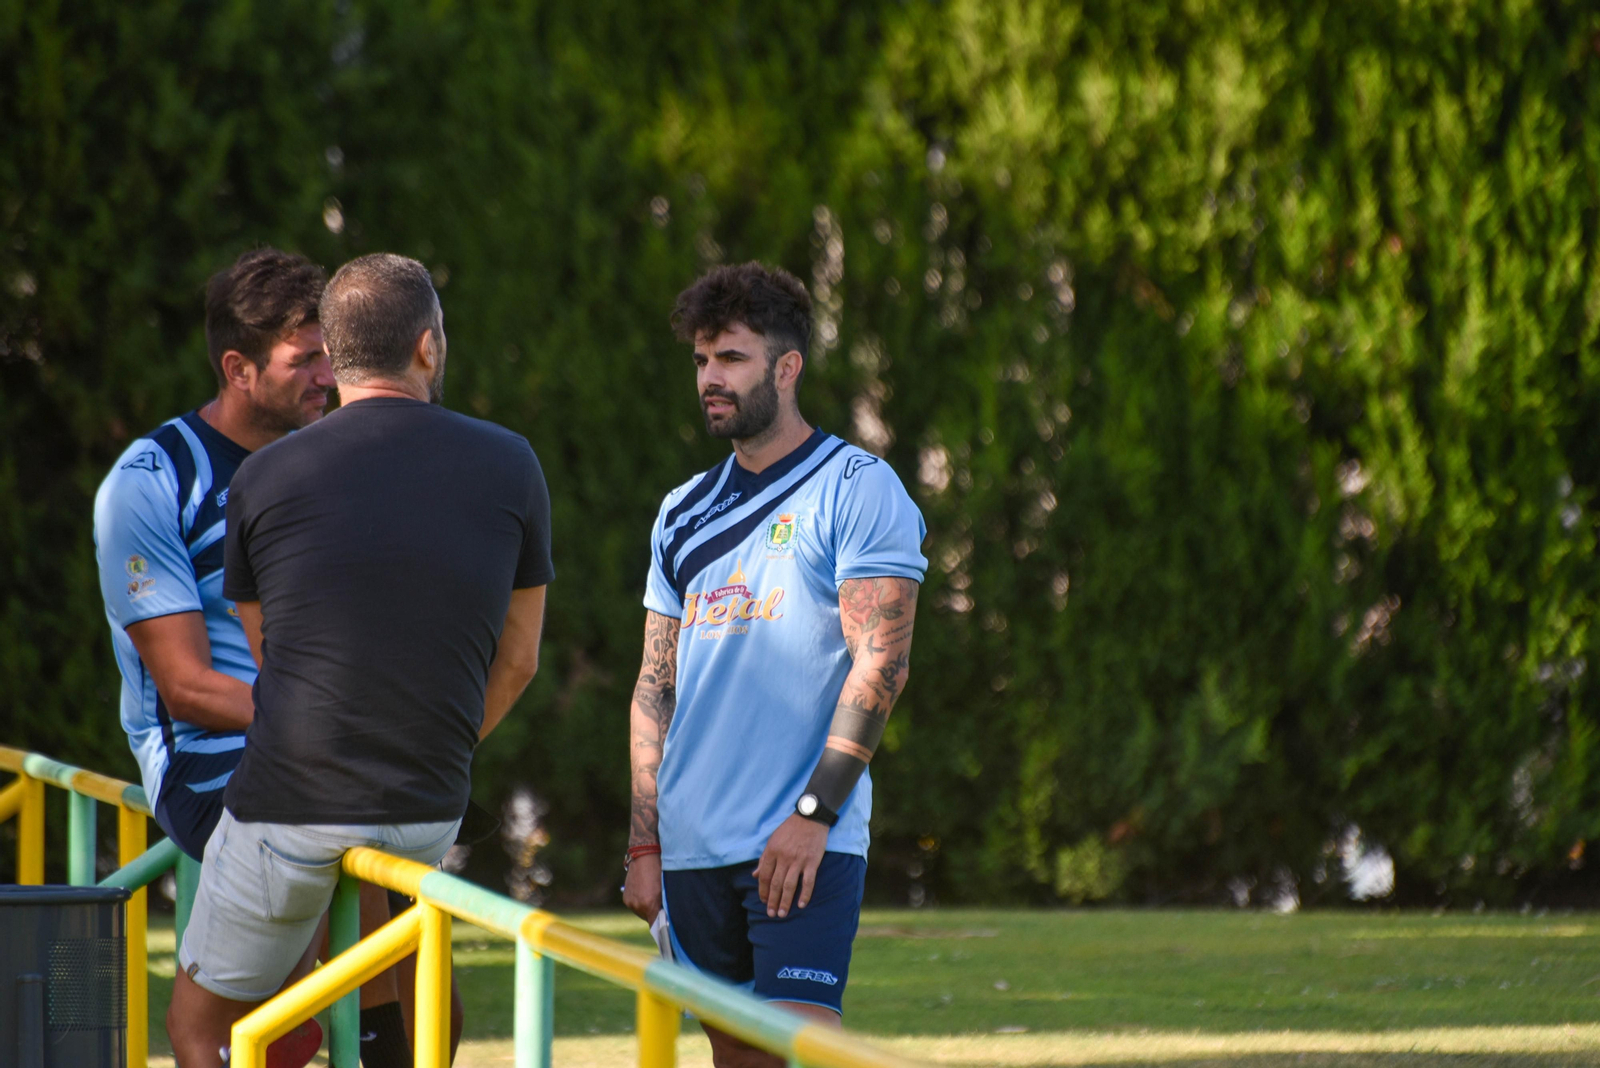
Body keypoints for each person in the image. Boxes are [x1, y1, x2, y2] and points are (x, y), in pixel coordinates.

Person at [165, 252, 554, 1067]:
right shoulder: (512, 462)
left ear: (334, 358)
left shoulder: (262, 475)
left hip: (290, 803)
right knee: (398, 970)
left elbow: (277, 659)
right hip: (426, 803)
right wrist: (431, 740)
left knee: (199, 1030)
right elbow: (519, 660)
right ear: (427, 347)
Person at [95, 247, 448, 1067]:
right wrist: (342, 722)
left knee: (423, 986)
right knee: (279, 1005)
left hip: (335, 757)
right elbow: (185, 687)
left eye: (332, 351)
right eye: (306, 360)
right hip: (216, 769)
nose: (330, 375)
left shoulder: (335, 461)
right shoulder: (150, 482)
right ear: (238, 368)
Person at [622, 262, 927, 1067]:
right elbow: (656, 687)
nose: (710, 380)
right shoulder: (680, 511)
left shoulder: (858, 487)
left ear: (787, 368)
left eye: (732, 359)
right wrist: (644, 844)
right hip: (690, 847)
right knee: (740, 1061)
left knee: (808, 1050)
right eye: (701, 362)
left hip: (801, 842)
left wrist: (813, 815)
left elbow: (882, 666)